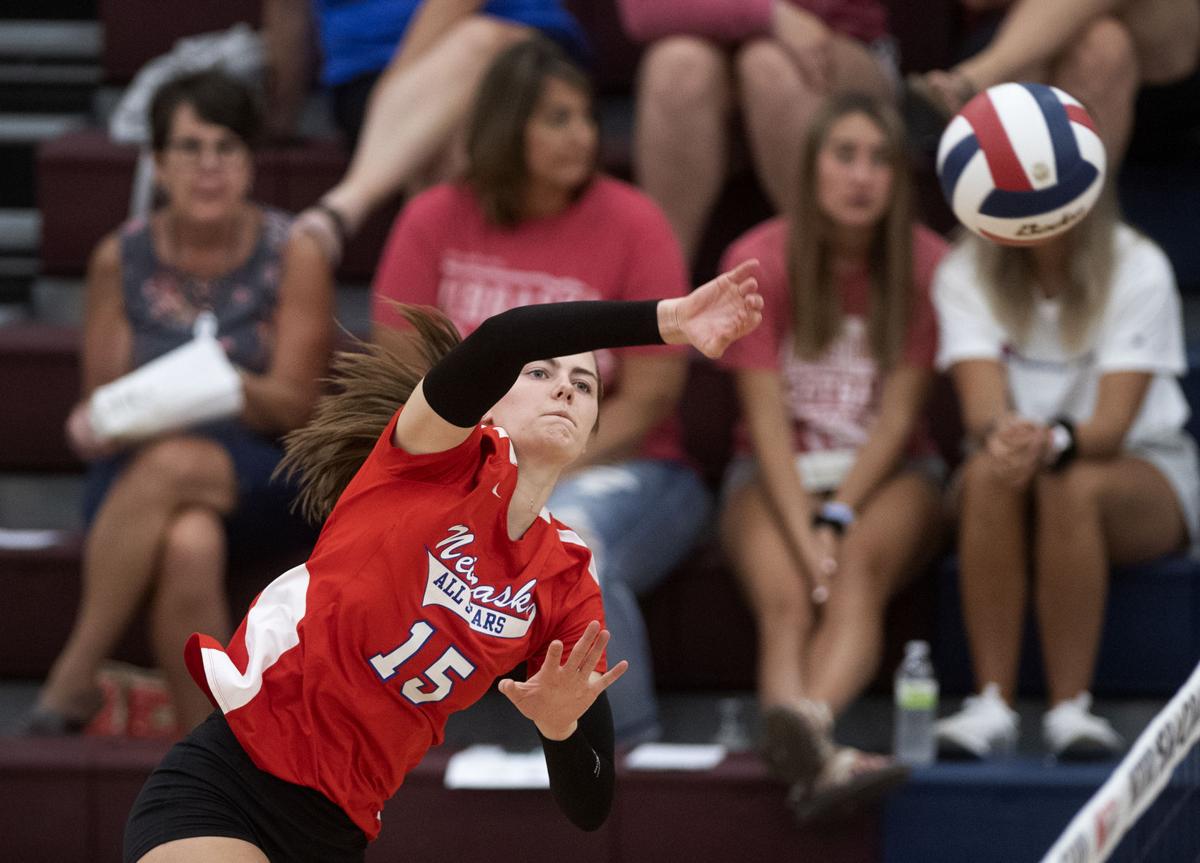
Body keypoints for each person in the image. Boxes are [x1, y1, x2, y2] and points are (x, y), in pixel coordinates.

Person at [121, 265, 764, 863]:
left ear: (594, 428)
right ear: (487, 401)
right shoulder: (429, 458)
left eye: (585, 384)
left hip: (337, 831)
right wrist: (669, 321)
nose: (566, 386)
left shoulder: (566, 580)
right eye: (540, 374)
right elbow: (507, 334)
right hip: (230, 780)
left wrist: (562, 727)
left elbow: (591, 804)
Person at [371, 38, 700, 745]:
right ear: (506, 124)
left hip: (626, 466)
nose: (581, 135)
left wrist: (535, 476)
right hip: (461, 468)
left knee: (572, 540)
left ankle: (626, 746)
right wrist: (476, 477)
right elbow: (400, 372)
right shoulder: (435, 217)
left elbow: (650, 398)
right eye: (556, 119)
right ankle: (396, 749)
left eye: (586, 118)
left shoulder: (634, 222)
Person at [16, 70, 334, 736]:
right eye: (190, 148)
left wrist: (210, 383)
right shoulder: (120, 257)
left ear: (250, 161)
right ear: (158, 164)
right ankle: (208, 757)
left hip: (266, 471)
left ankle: (75, 672)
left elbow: (297, 406)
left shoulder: (294, 251)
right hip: (137, 476)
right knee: (189, 540)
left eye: (226, 147)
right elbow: (104, 406)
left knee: (177, 462)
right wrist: (103, 419)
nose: (209, 166)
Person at [716, 93, 948, 821]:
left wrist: (838, 517)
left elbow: (899, 419)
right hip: (771, 472)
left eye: (880, 159)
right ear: (810, 166)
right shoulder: (755, 259)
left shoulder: (929, 264)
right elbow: (766, 422)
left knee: (850, 575)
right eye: (844, 154)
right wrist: (803, 525)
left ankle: (803, 729)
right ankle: (821, 759)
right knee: (786, 597)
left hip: (891, 473)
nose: (862, 175)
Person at [931, 188, 1198, 760]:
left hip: (1139, 465)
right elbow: (981, 412)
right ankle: (990, 705)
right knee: (984, 476)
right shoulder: (962, 271)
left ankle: (1069, 710)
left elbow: (1111, 426)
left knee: (1068, 483)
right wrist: (1007, 436)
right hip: (1013, 471)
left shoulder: (1139, 264)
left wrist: (1051, 440)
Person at [261, 0, 587, 266]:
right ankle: (435, 322)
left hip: (520, 53)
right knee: (457, 136)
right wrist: (277, 119)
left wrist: (395, 91)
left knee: (477, 48)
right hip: (365, 77)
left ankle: (343, 209)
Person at [622, 0, 895, 267]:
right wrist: (770, 15)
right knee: (677, 65)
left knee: (767, 67)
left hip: (837, 39)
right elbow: (643, 10)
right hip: (710, 44)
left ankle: (829, 280)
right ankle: (662, 288)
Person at [905, 0, 1200, 162]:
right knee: (1102, 44)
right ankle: (1082, 233)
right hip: (1028, 53)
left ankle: (970, 82)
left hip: (1164, 66)